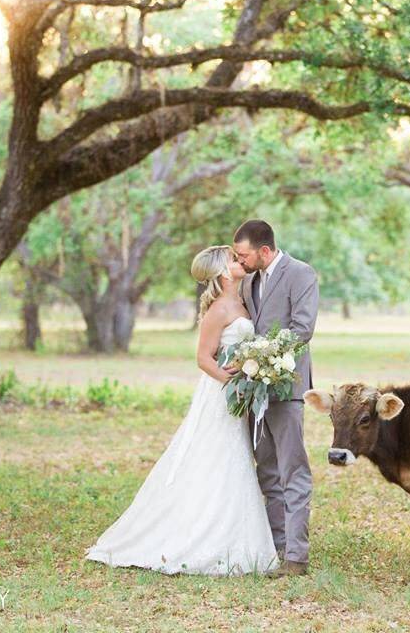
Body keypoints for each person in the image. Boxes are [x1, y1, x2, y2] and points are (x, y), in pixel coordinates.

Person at [84, 245, 277, 576]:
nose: (239, 261)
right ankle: (200, 536)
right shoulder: (218, 310)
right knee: (217, 457)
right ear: (220, 271)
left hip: (238, 391)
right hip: (220, 394)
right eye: (233, 259)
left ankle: (235, 534)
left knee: (234, 457)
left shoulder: (241, 299)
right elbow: (204, 358)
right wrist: (229, 379)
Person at [232, 220, 319, 577]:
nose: (241, 261)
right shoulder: (249, 281)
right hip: (255, 391)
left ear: (264, 251)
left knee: (292, 471)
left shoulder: (300, 274)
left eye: (244, 254)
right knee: (266, 470)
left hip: (286, 387)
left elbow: (302, 329)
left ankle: (297, 557)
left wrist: (264, 360)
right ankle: (277, 547)